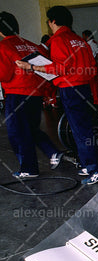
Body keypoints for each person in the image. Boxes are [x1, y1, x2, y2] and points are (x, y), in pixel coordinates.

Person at [16, 6, 98, 185]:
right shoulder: (79, 40)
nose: (49, 24)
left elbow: (60, 68)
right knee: (85, 127)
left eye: (48, 21)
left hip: (70, 88)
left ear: (53, 21)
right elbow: (92, 67)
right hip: (84, 87)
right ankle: (91, 164)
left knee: (80, 130)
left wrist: (31, 67)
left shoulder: (59, 40)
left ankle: (95, 169)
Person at [0, 11, 63, 178]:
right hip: (36, 93)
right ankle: (52, 152)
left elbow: (4, 75)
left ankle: (29, 169)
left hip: (17, 93)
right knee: (31, 128)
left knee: (17, 132)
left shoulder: (4, 46)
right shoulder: (31, 45)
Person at [82, 30, 98, 106]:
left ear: (87, 36)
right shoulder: (87, 44)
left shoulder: (92, 43)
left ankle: (97, 101)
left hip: (93, 66)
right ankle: (95, 100)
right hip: (90, 66)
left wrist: (93, 60)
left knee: (94, 84)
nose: (83, 37)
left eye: (83, 36)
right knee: (91, 84)